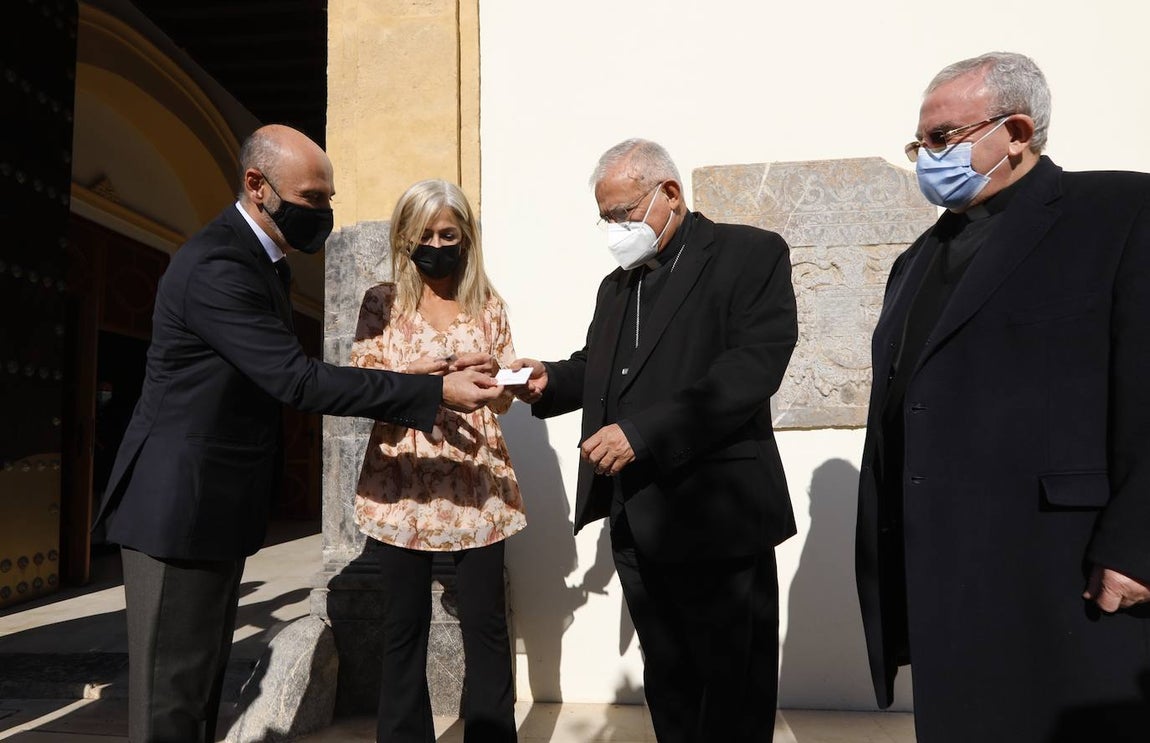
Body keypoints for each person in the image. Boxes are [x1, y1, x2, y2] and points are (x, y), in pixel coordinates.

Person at [92, 125, 502, 743]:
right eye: (312, 198)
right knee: (170, 699)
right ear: (258, 186)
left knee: (197, 688)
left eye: (328, 198)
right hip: (176, 508)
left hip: (209, 508)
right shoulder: (219, 264)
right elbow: (297, 380)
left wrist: (411, 376)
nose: (324, 213)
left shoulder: (261, 261)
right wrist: (432, 391)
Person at [856, 51, 1150, 743]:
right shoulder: (915, 260)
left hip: (1064, 568)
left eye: (941, 138)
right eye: (919, 144)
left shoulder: (1121, 212)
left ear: (1016, 132)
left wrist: (1138, 544)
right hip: (947, 576)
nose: (927, 158)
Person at [512, 138, 798, 743]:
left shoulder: (750, 254)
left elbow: (749, 372)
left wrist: (641, 434)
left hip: (718, 515)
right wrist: (547, 381)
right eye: (605, 218)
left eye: (623, 213)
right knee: (670, 682)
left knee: (731, 688)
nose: (615, 230)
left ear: (669, 193)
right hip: (636, 515)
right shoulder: (617, 285)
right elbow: (601, 366)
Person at [350, 179, 522, 743]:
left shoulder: (487, 304)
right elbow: (360, 386)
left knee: (486, 624)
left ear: (466, 237)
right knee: (404, 626)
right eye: (425, 234)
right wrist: (415, 376)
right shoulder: (381, 303)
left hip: (477, 482)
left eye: (449, 234)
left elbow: (502, 399)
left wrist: (502, 382)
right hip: (402, 480)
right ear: (404, 236)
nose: (437, 244)